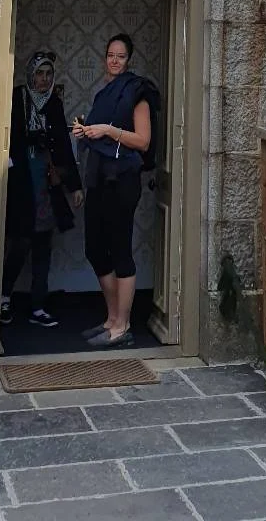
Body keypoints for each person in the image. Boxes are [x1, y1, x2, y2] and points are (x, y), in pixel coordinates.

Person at [73, 33, 153, 348]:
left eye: (120, 55)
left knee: (120, 250)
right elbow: (97, 134)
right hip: (99, 178)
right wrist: (84, 130)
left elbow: (143, 141)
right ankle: (111, 318)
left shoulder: (137, 94)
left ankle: (123, 325)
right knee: (94, 247)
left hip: (123, 180)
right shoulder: (104, 93)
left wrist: (108, 130)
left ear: (129, 59)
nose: (114, 60)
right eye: (110, 55)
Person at [1, 51, 83, 329]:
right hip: (22, 179)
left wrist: (75, 186)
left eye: (48, 74)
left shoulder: (54, 104)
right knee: (19, 243)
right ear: (30, 74)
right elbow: (7, 136)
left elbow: (62, 145)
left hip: (46, 181)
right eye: (39, 73)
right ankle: (2, 299)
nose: (44, 79)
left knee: (43, 246)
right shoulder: (18, 98)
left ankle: (38, 305)